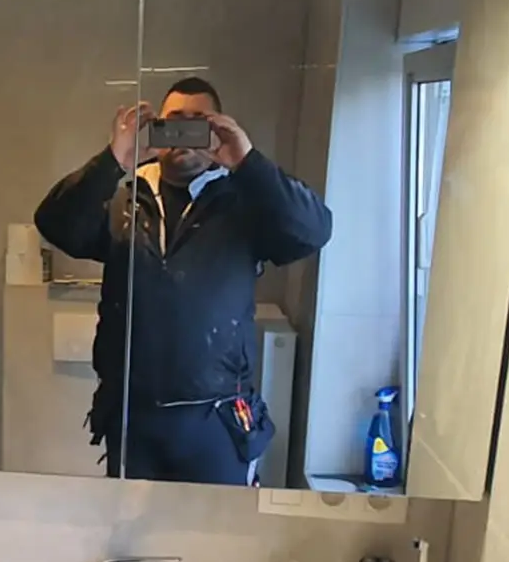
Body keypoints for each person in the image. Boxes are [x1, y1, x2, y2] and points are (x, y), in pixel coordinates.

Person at [34, 76, 333, 484]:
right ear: (157, 128)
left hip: (217, 419)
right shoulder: (124, 201)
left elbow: (314, 231)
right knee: (131, 526)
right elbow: (54, 223)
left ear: (218, 129)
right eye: (174, 121)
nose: (184, 133)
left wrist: (247, 161)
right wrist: (113, 161)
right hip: (133, 417)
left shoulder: (247, 203)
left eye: (198, 122)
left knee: (218, 525)